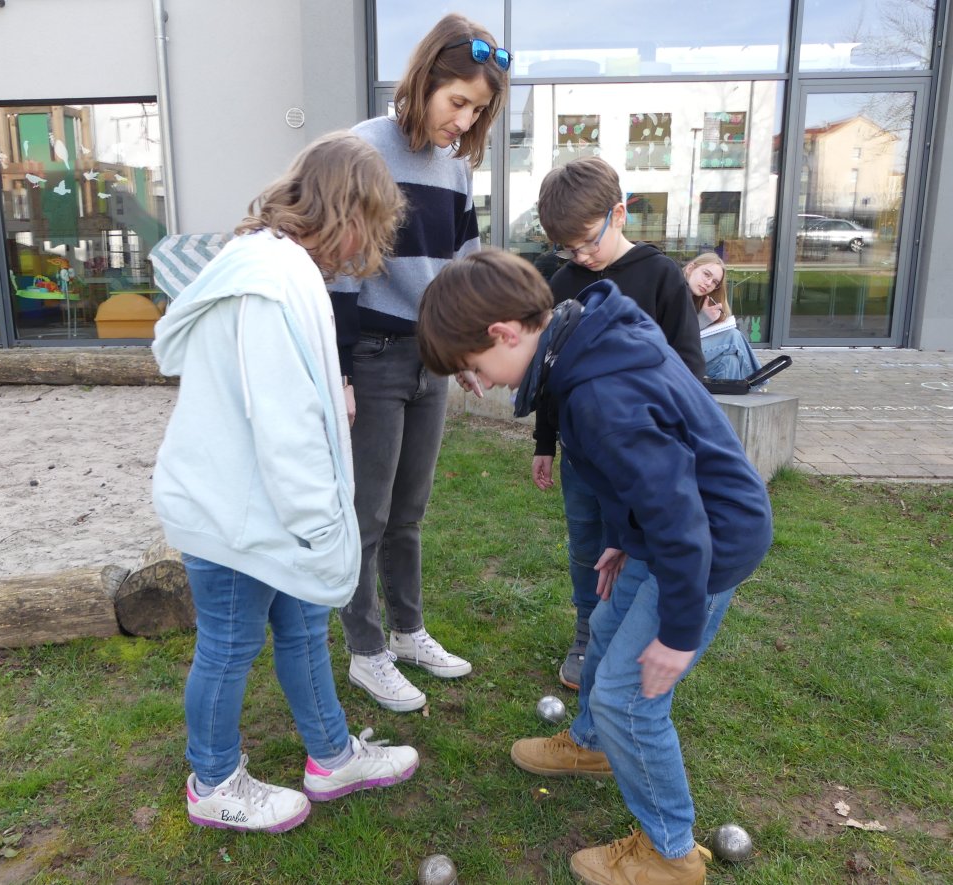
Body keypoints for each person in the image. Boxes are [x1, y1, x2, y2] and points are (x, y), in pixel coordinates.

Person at [415, 249, 773, 885]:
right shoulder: (585, 339)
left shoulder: (599, 393)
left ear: (503, 333)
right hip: (665, 534)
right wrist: (623, 537)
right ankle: (590, 747)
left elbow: (680, 513)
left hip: (707, 542)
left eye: (472, 369)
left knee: (629, 697)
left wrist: (677, 633)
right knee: (605, 631)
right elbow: (647, 474)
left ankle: (671, 853)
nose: (481, 385)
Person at [151, 132, 418, 834]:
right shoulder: (270, 285)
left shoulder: (276, 267)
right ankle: (212, 780)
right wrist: (322, 524)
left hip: (256, 502)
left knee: (301, 625)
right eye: (373, 225)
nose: (370, 247)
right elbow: (285, 420)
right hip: (236, 511)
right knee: (231, 641)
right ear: (346, 211)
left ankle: (331, 754)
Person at [329, 13, 510, 712]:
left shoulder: (457, 167)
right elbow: (342, 274)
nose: (463, 122)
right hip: (371, 359)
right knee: (366, 515)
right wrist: (341, 372)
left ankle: (407, 630)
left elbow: (462, 267)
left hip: (429, 360)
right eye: (457, 102)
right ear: (424, 81)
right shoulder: (361, 151)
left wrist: (468, 349)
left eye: (479, 111)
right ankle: (365, 651)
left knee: (409, 512)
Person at [533, 156, 705, 692]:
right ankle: (587, 633)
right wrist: (545, 442)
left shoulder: (661, 277)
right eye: (568, 247)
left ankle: (626, 636)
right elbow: (550, 371)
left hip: (643, 458)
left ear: (620, 213)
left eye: (587, 240)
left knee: (633, 545)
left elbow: (688, 369)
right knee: (587, 545)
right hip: (584, 456)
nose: (580, 255)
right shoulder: (565, 282)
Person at [683, 251, 762, 381]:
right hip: (670, 356)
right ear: (691, 268)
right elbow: (675, 335)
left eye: (714, 282)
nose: (708, 283)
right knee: (732, 337)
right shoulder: (674, 290)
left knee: (729, 361)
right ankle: (758, 382)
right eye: (706, 274)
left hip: (687, 355)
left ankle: (727, 401)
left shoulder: (696, 299)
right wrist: (703, 319)